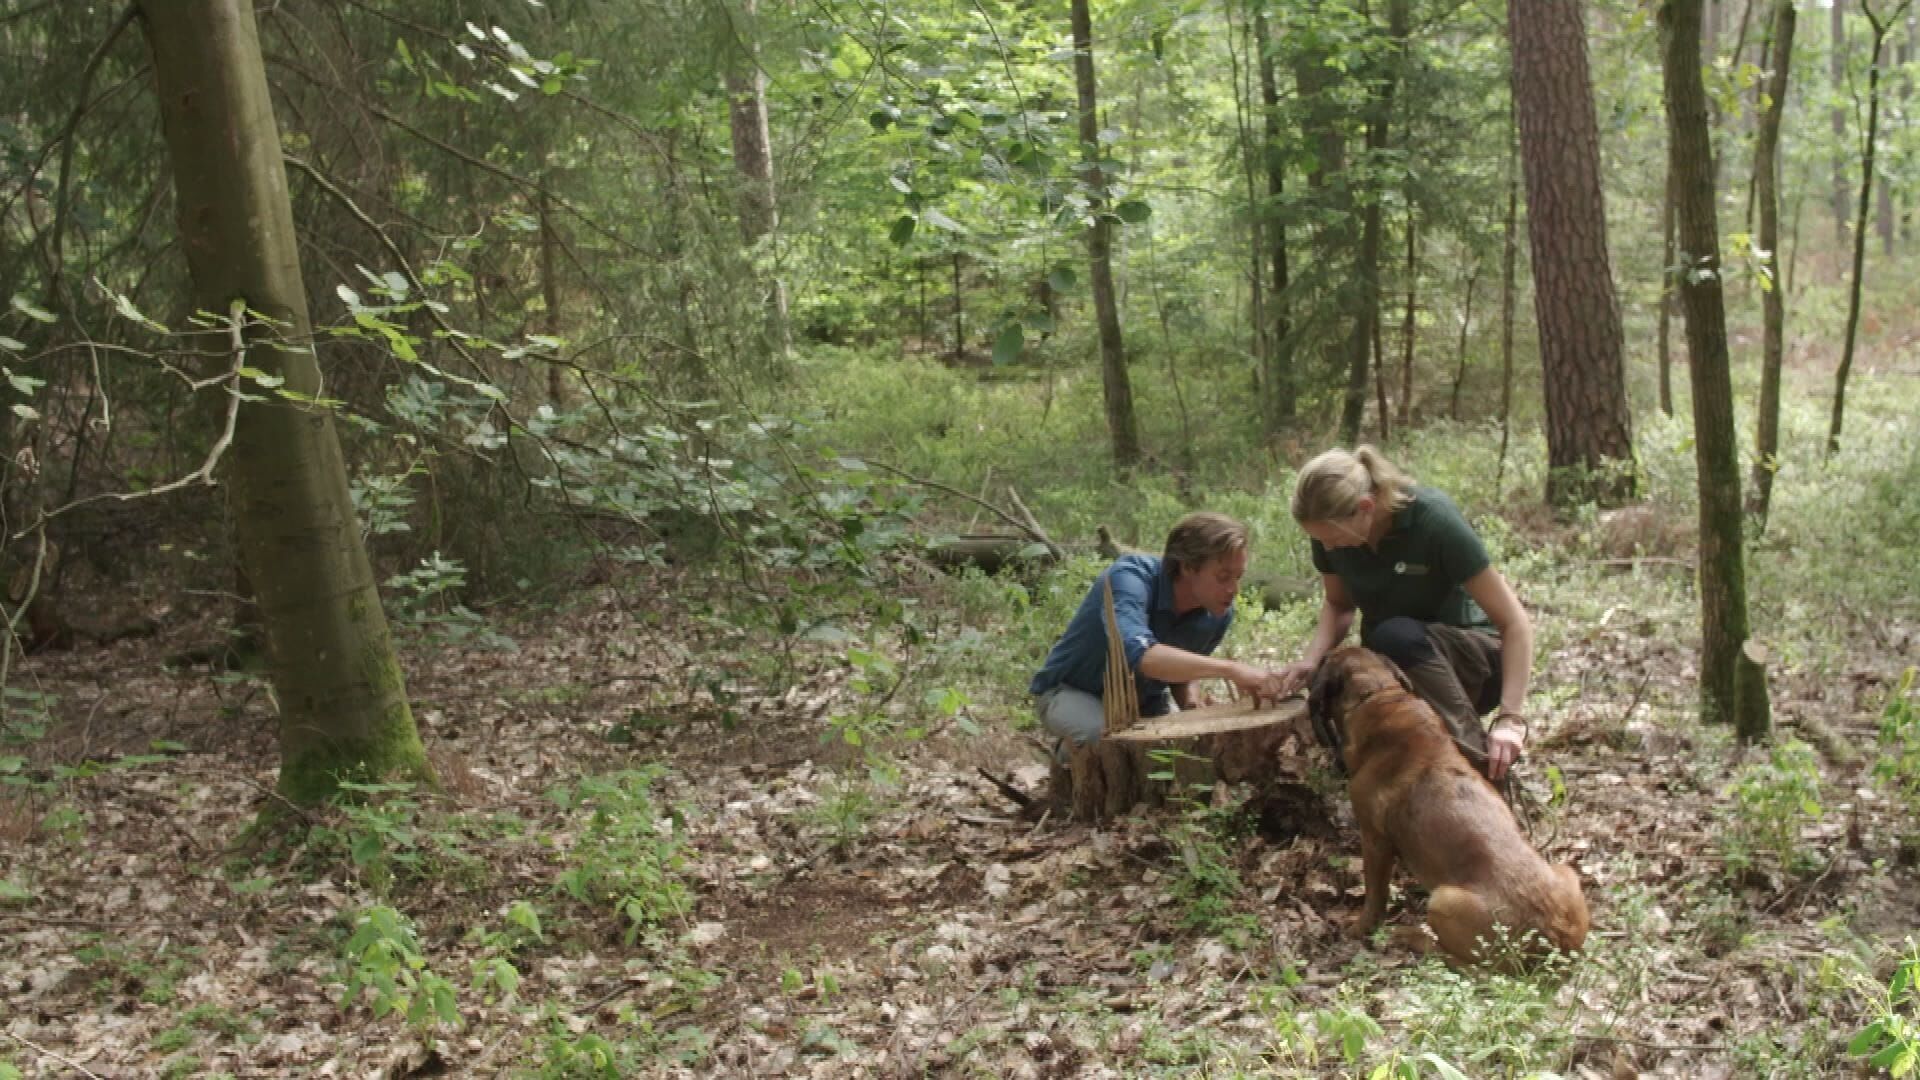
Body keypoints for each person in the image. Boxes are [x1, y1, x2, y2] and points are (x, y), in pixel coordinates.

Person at [1274, 446, 1533, 783]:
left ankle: (1480, 765)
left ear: (1366, 508)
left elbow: (1514, 623)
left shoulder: (1434, 521)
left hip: (1475, 664)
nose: (1328, 548)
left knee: (1395, 635)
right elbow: (1339, 605)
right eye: (1321, 540)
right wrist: (1310, 661)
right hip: (1398, 659)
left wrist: (1510, 719)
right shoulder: (1330, 533)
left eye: (1333, 538)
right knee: (1330, 677)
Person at [1031, 512, 1287, 756]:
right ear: (1188, 567)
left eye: (1238, 577)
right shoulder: (1130, 579)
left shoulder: (1217, 613)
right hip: (1071, 692)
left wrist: (1191, 702)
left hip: (1145, 704)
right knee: (1103, 739)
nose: (1234, 589)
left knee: (1181, 752)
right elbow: (1141, 655)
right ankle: (1068, 760)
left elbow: (1184, 668)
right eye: (1223, 577)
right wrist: (1231, 669)